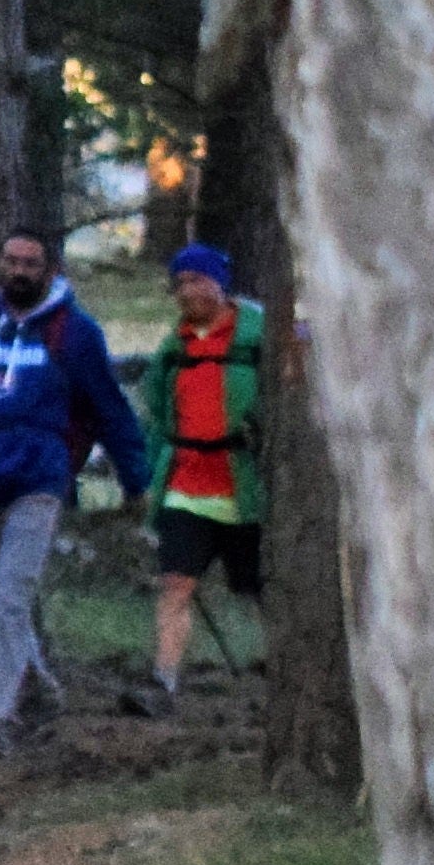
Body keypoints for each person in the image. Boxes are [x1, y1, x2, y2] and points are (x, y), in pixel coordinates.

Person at [0, 223, 149, 752]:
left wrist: (135, 480)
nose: (17, 271)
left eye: (29, 263)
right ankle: (36, 688)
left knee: (10, 594)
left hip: (39, 477)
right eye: (10, 261)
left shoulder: (75, 334)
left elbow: (109, 408)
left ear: (50, 269)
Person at [140, 242, 268, 702]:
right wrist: (147, 477)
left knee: (260, 591)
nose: (187, 291)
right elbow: (155, 412)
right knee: (175, 585)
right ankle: (163, 681)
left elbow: (311, 342)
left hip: (249, 489)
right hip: (186, 485)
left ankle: (286, 679)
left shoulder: (261, 331)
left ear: (220, 283)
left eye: (197, 280)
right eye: (180, 283)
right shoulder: (174, 348)